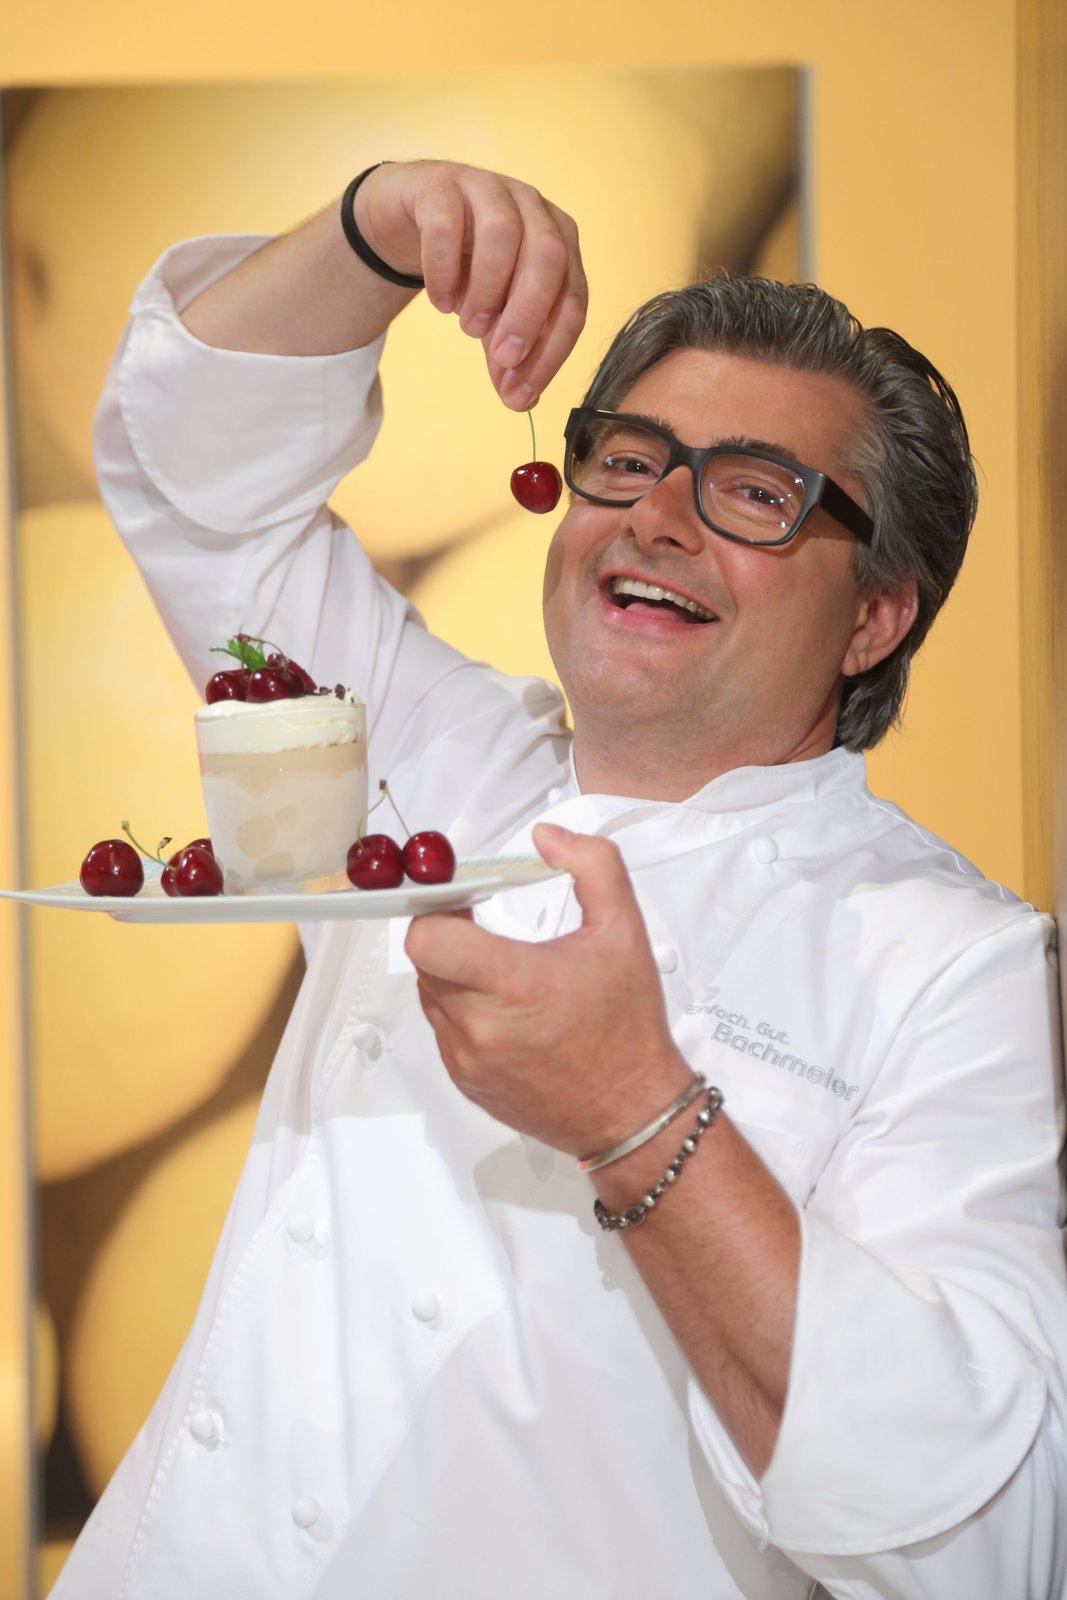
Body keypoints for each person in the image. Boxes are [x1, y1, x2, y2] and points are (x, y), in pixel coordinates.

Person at [53, 159, 1066, 1599]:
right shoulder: (429, 761)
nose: (657, 517)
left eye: (756, 493)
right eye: (630, 460)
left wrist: (637, 1116)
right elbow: (196, 489)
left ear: (875, 618)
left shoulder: (959, 966)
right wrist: (376, 225)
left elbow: (985, 1542)